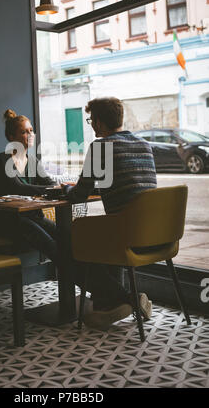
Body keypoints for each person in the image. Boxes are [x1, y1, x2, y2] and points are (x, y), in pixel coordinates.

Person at [63, 97, 157, 330]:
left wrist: (65, 188)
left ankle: (126, 299)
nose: (91, 126)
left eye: (91, 120)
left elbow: (78, 195)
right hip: (156, 234)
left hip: (125, 236)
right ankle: (108, 307)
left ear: (99, 122)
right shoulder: (144, 144)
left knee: (69, 243)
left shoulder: (100, 148)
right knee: (108, 229)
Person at [0, 109, 60, 265]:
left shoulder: (32, 160)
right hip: (9, 222)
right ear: (11, 137)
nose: (30, 135)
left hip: (33, 217)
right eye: (24, 132)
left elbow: (49, 183)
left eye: (31, 130)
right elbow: (17, 188)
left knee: (67, 237)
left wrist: (58, 187)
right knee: (52, 246)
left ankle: (86, 282)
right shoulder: (2, 160)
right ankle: (83, 280)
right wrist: (52, 190)